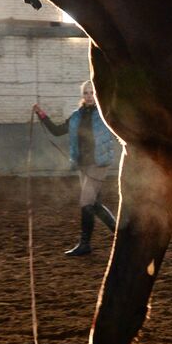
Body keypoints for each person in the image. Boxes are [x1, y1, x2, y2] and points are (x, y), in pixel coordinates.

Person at [33, 81, 119, 256]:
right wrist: (41, 114)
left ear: (97, 95)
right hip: (83, 164)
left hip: (99, 163)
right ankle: (121, 236)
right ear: (82, 96)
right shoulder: (75, 116)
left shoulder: (105, 115)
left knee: (86, 201)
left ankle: (85, 244)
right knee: (94, 204)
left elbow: (120, 128)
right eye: (86, 93)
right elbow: (57, 131)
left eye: (92, 92)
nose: (89, 96)